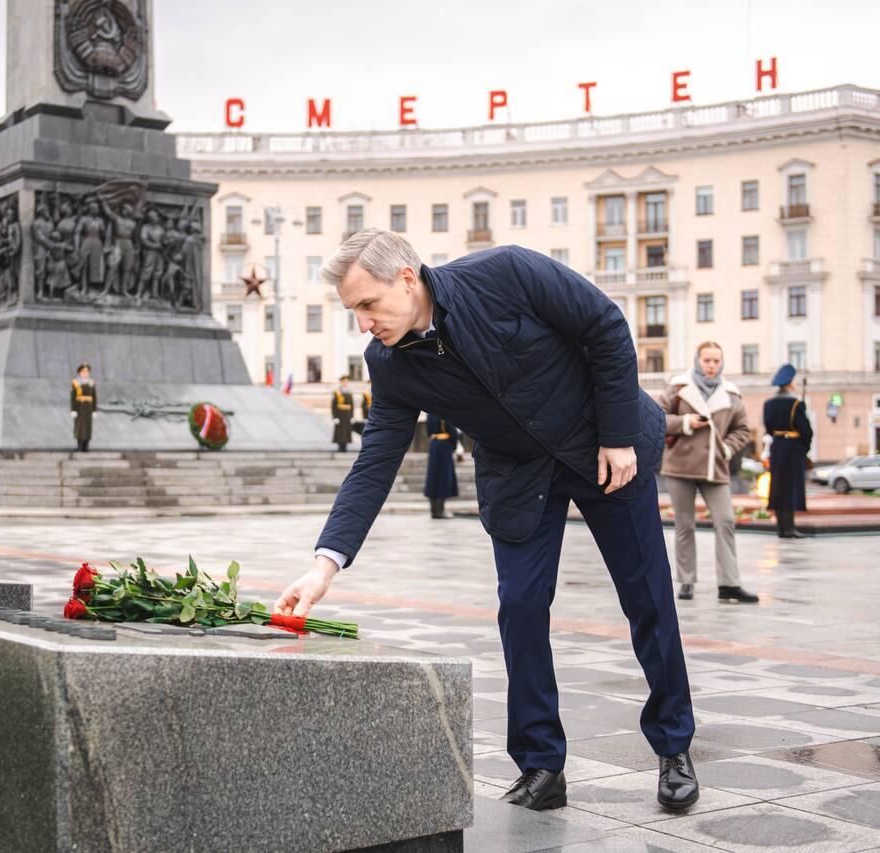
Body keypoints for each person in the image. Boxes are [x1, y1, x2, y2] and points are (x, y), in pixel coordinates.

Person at [274, 230, 698, 814]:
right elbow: (375, 460)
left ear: (405, 277)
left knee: (648, 597)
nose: (363, 324)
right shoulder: (390, 363)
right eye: (353, 312)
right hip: (520, 478)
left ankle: (674, 747)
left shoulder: (507, 273)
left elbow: (604, 325)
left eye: (367, 305)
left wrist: (620, 436)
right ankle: (541, 765)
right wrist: (325, 565)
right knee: (520, 607)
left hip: (604, 451)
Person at [659, 342, 758, 604]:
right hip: (680, 465)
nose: (711, 365)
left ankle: (729, 584)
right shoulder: (678, 388)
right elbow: (656, 417)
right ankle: (686, 581)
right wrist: (685, 423)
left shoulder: (731, 394)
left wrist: (727, 449)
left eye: (716, 361)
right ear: (697, 360)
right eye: (707, 360)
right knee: (684, 525)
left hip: (716, 466)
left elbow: (743, 430)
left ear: (722, 363)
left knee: (725, 521)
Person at [764, 363, 812, 538]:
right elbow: (806, 430)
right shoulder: (796, 404)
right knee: (790, 488)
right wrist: (804, 448)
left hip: (777, 448)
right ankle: (790, 527)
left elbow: (768, 428)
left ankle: (781, 528)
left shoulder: (768, 404)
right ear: (791, 383)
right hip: (793, 449)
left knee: (777, 487)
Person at [424, 413, 459, 518]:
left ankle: (433, 511)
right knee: (443, 478)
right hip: (444, 446)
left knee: (433, 478)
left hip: (433, 445)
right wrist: (453, 446)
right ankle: (440, 511)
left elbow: (428, 431)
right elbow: (452, 432)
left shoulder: (429, 413)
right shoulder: (444, 410)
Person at [71, 362, 98, 452]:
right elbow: (73, 397)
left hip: (88, 408)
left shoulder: (91, 382)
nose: (85, 373)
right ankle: (79, 445)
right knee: (79, 427)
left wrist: (94, 410)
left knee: (87, 427)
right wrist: (73, 410)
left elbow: (94, 397)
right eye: (83, 372)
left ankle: (86, 446)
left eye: (87, 372)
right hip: (79, 407)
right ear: (80, 372)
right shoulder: (76, 382)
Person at [331, 377, 355, 452]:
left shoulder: (349, 392)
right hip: (340, 414)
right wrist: (334, 417)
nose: (345, 383)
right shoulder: (337, 392)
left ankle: (345, 446)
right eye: (344, 382)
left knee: (346, 431)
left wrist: (352, 416)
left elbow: (352, 405)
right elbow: (333, 405)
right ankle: (340, 446)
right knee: (340, 431)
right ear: (341, 382)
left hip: (347, 414)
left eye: (347, 382)